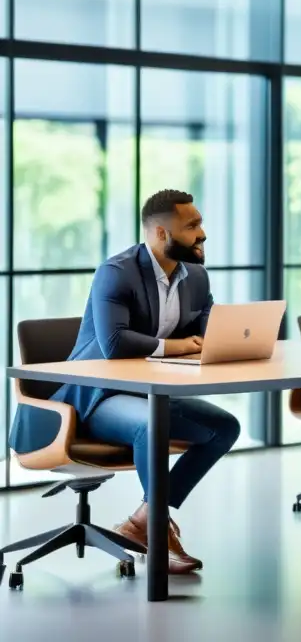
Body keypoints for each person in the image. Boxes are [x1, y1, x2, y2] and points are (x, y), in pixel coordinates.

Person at [8, 189, 241, 575]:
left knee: (224, 428)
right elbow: (114, 344)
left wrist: (235, 339)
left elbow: (208, 328)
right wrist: (177, 344)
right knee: (154, 423)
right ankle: (157, 528)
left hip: (148, 391)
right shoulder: (117, 272)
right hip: (94, 397)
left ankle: (146, 519)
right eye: (193, 226)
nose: (202, 234)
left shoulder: (195, 275)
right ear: (161, 234)